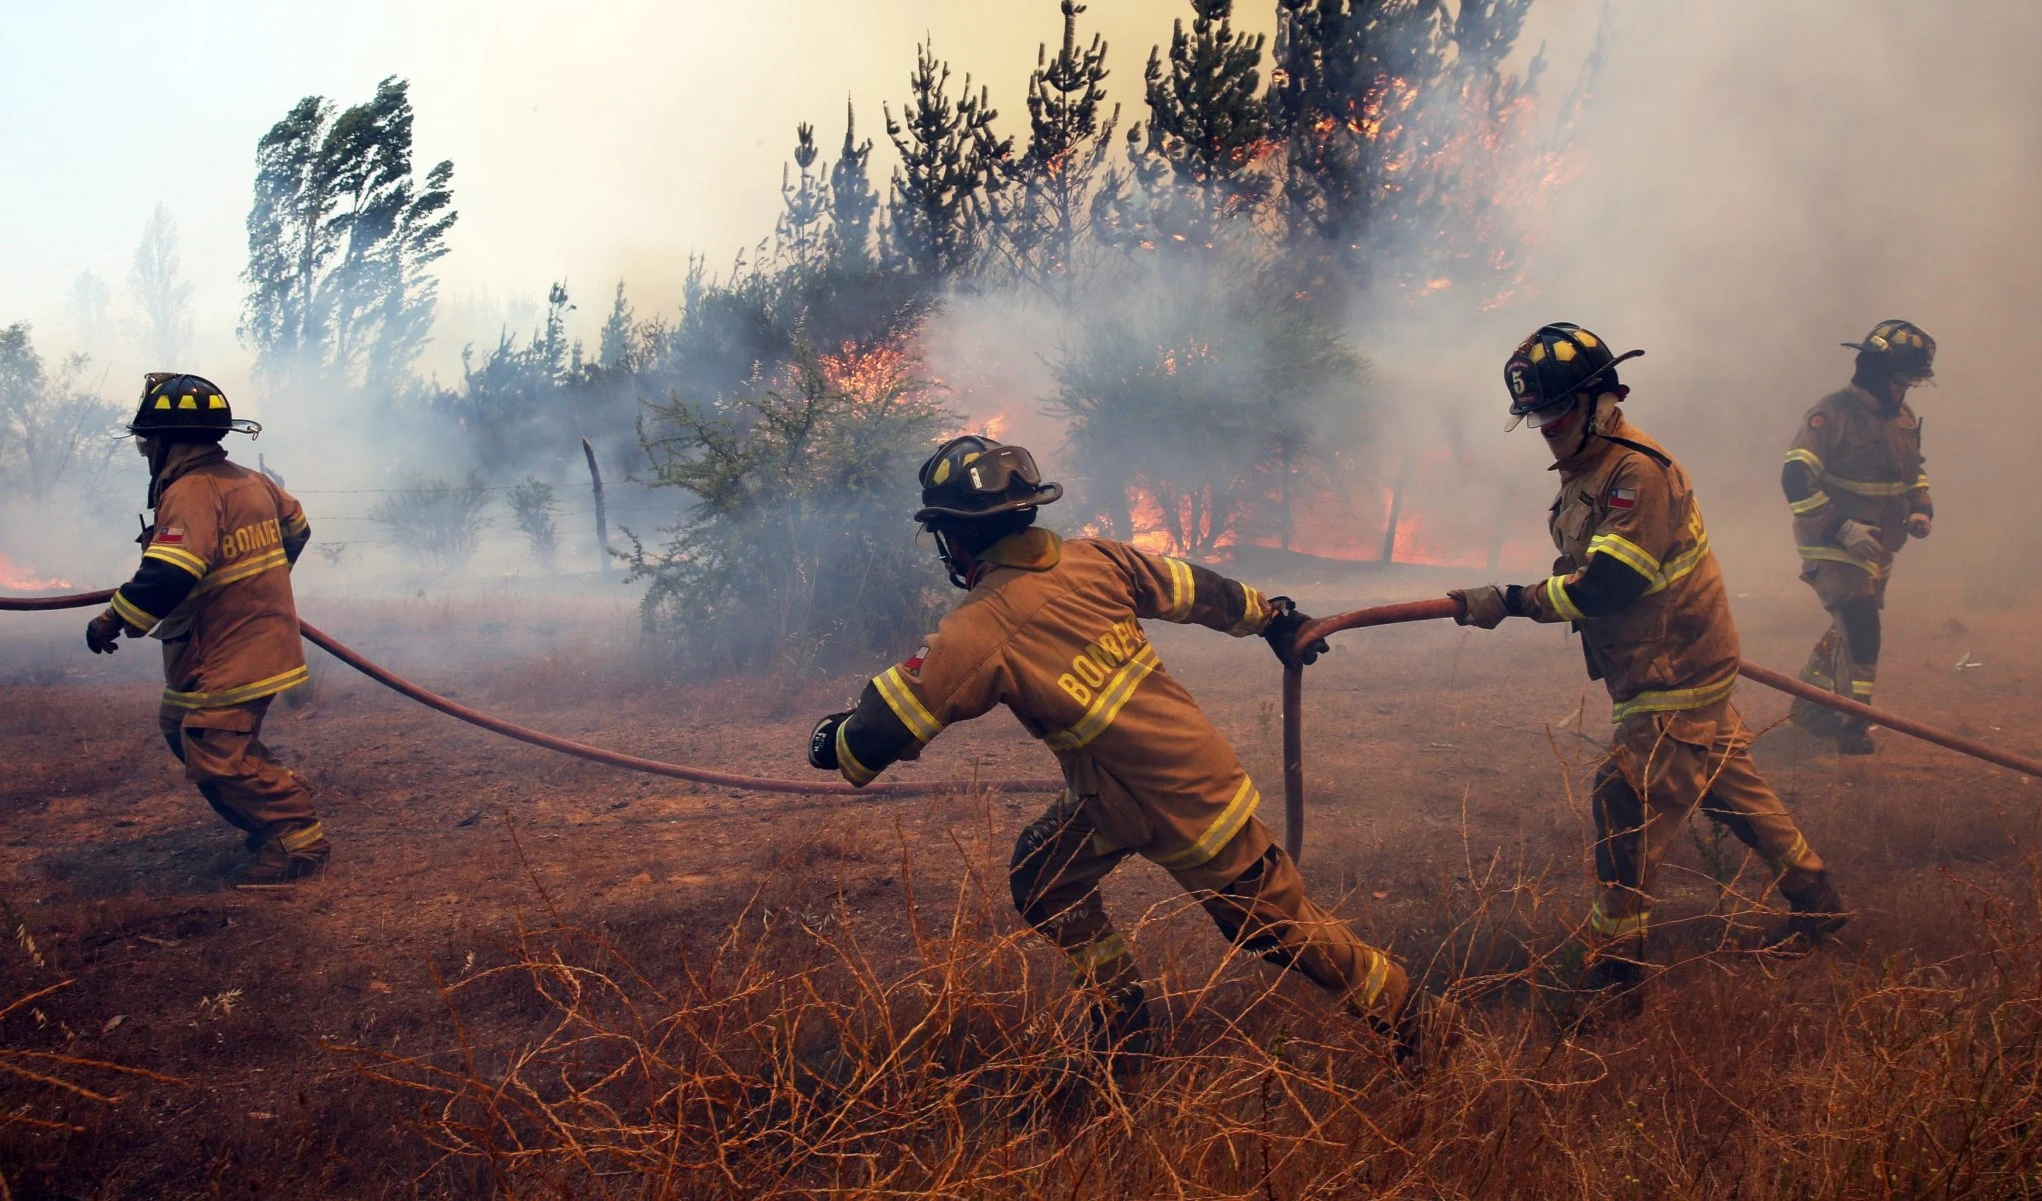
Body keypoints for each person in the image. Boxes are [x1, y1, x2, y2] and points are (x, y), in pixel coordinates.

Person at [807, 435, 1452, 1069]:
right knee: (1045, 879)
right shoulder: (1093, 559)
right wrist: (1273, 619)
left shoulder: (980, 628)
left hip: (1185, 801)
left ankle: (1409, 1011)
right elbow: (1196, 589)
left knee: (1272, 927)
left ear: (956, 535)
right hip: (1115, 795)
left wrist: (831, 740)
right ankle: (1121, 1018)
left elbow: (877, 733)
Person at [1448, 323, 1845, 1005]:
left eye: (1558, 410)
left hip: (1673, 669)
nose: (1547, 427)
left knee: (1623, 801)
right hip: (1668, 660)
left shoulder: (1636, 472)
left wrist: (1512, 601)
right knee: (1726, 783)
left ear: (1605, 399)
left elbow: (1610, 584)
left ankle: (1615, 973)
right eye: (1536, 415)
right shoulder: (1588, 470)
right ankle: (1817, 898)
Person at [85, 373, 328, 886]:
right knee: (182, 727)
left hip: (230, 651)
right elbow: (298, 528)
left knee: (213, 750)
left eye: (146, 440)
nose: (145, 449)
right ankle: (270, 802)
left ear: (166, 440)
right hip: (242, 642)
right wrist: (259, 586)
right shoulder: (250, 480)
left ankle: (294, 839)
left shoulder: (190, 492)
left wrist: (113, 618)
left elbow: (171, 570)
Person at [1782, 320, 1937, 754]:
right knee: (1864, 626)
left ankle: (1811, 706)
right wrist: (1841, 528)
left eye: (1910, 381)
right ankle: (1853, 724)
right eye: (1898, 378)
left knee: (1848, 627)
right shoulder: (1831, 415)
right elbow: (1795, 478)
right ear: (1872, 368)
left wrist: (1921, 508)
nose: (1903, 389)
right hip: (1830, 542)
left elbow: (1914, 469)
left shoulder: (1902, 417)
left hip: (1880, 544)